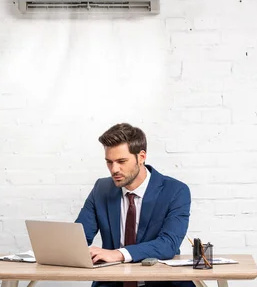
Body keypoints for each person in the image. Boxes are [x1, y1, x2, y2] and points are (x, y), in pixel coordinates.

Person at [75, 123, 194, 287]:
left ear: (141, 157)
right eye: (109, 162)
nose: (114, 169)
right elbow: (78, 238)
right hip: (112, 283)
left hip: (161, 283)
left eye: (121, 161)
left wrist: (119, 254)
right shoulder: (101, 189)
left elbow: (168, 244)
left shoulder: (175, 191)